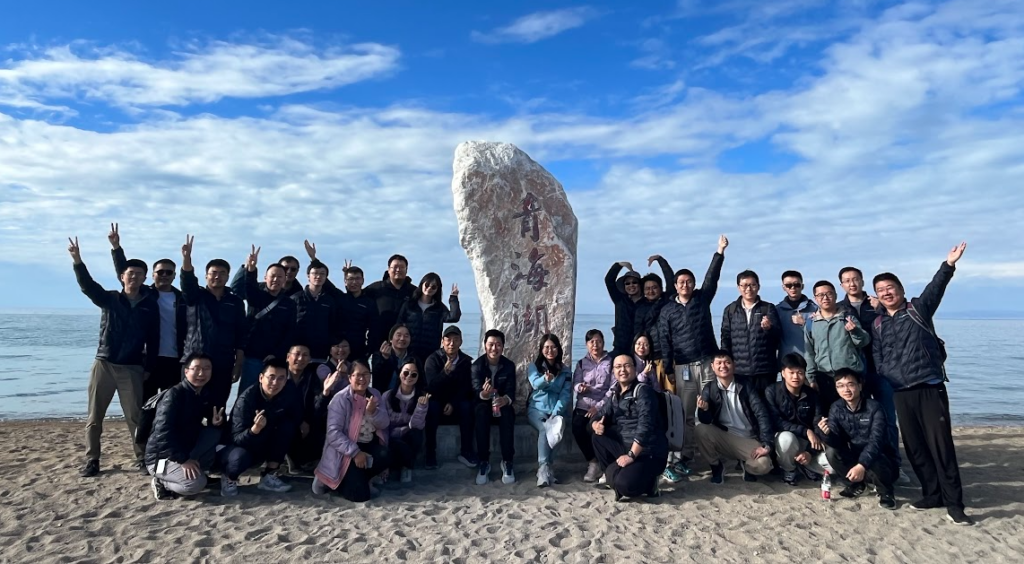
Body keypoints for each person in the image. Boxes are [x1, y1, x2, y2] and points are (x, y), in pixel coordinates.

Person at [871, 242, 973, 525]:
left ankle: (955, 504)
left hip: (928, 387)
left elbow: (936, 287)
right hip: (901, 392)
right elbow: (877, 356)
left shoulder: (918, 308)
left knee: (941, 447)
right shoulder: (878, 324)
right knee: (915, 447)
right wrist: (885, 372)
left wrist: (948, 264)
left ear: (901, 290)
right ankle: (932, 494)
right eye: (880, 290)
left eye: (890, 288)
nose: (886, 293)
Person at [69, 236, 159, 477]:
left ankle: (141, 458)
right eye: (130, 273)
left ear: (145, 278)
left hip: (132, 367)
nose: (134, 277)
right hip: (105, 363)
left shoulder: (150, 305)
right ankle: (92, 460)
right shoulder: (109, 299)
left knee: (135, 417)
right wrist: (78, 260)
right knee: (95, 416)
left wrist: (149, 367)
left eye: (139, 274)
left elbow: (154, 340)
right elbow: (87, 285)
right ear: (122, 276)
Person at [658, 235, 728, 476]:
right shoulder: (667, 311)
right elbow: (665, 341)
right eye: (681, 282)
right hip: (683, 367)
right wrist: (669, 368)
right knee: (687, 414)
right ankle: (685, 456)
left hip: (708, 362)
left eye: (689, 281)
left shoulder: (702, 299)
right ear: (675, 285)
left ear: (694, 284)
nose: (685, 285)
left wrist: (719, 251)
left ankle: (717, 453)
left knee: (713, 408)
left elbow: (712, 277)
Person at [839, 266, 905, 485]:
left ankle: (895, 463)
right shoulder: (840, 309)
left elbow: (895, 324)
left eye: (855, 279)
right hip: (855, 373)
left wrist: (882, 309)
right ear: (842, 285)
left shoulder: (878, 304)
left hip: (882, 370)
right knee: (857, 420)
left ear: (862, 281)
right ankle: (862, 464)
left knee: (887, 418)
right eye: (847, 280)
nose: (852, 284)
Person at [109, 224, 187, 402]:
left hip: (175, 359)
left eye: (169, 272)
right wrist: (116, 248)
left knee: (171, 403)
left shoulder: (182, 299)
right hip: (147, 359)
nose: (164, 275)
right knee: (145, 403)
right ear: (152, 275)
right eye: (160, 272)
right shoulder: (144, 294)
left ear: (174, 276)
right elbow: (125, 273)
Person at [179, 235, 246, 409]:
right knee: (189, 405)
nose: (217, 276)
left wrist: (238, 364)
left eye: (222, 273)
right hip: (195, 358)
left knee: (218, 406)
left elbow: (241, 334)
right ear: (206, 276)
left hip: (223, 361)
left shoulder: (235, 301)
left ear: (228, 276)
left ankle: (215, 427)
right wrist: (187, 259)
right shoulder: (196, 296)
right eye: (213, 273)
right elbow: (187, 280)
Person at [145, 353, 224, 500]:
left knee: (213, 432)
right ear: (186, 371)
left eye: (207, 368)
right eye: (196, 368)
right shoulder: (174, 395)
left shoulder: (200, 394)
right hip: (161, 458)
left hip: (183, 450)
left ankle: (200, 472)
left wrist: (214, 422)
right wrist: (183, 460)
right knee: (195, 485)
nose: (201, 373)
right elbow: (162, 433)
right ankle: (161, 482)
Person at [590, 355, 668, 502]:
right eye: (618, 367)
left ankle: (650, 483)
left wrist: (631, 455)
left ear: (634, 368)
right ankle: (612, 474)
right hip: (625, 446)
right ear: (613, 371)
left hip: (648, 451)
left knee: (625, 485)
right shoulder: (615, 394)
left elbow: (645, 426)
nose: (622, 370)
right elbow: (599, 415)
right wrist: (595, 424)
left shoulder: (644, 392)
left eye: (627, 365)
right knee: (598, 436)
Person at [817, 368, 898, 510]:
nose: (846, 390)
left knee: (877, 456)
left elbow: (877, 441)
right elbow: (836, 441)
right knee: (831, 452)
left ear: (860, 386)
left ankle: (886, 492)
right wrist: (826, 434)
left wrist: (862, 465)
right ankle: (857, 485)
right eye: (840, 386)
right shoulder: (836, 407)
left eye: (850, 384)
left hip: (881, 458)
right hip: (855, 455)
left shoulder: (874, 407)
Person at [217, 356, 298, 496]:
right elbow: (236, 438)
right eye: (271, 377)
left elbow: (295, 415)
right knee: (239, 459)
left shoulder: (287, 393)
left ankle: (269, 475)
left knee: (287, 427)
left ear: (286, 380)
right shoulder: (246, 400)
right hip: (236, 446)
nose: (275, 383)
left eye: (281, 378)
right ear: (261, 378)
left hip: (262, 442)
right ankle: (229, 478)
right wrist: (255, 429)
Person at [313, 360, 391, 502]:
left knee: (386, 454)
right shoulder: (340, 398)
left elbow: (385, 423)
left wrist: (373, 412)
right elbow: (333, 433)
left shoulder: (374, 394)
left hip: (368, 444)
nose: (362, 378)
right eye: (358, 375)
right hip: (346, 450)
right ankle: (334, 482)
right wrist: (355, 452)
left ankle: (363, 479)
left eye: (366, 374)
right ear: (349, 378)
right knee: (359, 496)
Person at [695, 350, 774, 483]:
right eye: (719, 363)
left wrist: (766, 444)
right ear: (712, 367)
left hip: (748, 438)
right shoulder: (710, 388)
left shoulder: (746, 385)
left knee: (763, 465)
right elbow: (705, 420)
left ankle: (746, 466)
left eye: (727, 362)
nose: (723, 366)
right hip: (725, 436)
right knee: (700, 429)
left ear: (734, 365)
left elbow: (762, 414)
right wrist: (704, 409)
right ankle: (716, 467)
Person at [233, 246, 297, 395]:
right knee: (247, 393)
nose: (276, 279)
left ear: (285, 279)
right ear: (265, 277)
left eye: (280, 277)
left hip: (275, 359)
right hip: (252, 356)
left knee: (271, 395)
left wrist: (277, 354)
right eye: (272, 276)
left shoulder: (289, 304)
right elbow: (248, 286)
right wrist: (250, 269)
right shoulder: (257, 296)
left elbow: (290, 332)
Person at [303, 240, 379, 362]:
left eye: (357, 279)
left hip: (358, 350)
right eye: (350, 279)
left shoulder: (369, 303)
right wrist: (313, 259)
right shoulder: (339, 297)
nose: (354, 282)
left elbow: (374, 329)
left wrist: (369, 350)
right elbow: (325, 281)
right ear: (345, 281)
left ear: (363, 281)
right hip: (336, 350)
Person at [804, 280, 871, 413]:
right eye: (820, 295)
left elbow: (864, 342)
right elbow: (809, 352)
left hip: (850, 375)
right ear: (815, 298)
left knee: (857, 413)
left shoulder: (847, 317)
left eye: (829, 294)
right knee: (830, 415)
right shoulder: (811, 323)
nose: (825, 298)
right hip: (825, 377)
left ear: (835, 295)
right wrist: (811, 378)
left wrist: (855, 331)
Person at [765, 353, 826, 486]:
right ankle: (789, 469)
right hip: (785, 438)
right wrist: (806, 431)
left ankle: (806, 465)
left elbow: (818, 423)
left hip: (807, 441)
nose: (795, 377)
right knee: (786, 439)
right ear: (783, 373)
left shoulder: (812, 394)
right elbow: (776, 422)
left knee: (830, 466)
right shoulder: (772, 391)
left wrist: (809, 452)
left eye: (800, 373)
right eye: (791, 372)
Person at [423, 325, 477, 469]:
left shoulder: (465, 361)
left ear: (461, 342)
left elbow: (466, 388)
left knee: (467, 406)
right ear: (442, 341)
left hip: (456, 404)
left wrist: (453, 403)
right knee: (432, 406)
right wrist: (444, 373)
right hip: (438, 401)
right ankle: (430, 454)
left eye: (456, 340)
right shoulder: (433, 359)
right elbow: (431, 387)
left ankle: (466, 451)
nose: (452, 343)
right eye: (448, 340)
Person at [720, 270, 781, 398]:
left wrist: (769, 328)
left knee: (766, 404)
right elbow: (725, 338)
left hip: (765, 370)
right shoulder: (730, 310)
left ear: (758, 286)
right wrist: (726, 363)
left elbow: (778, 337)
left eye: (752, 285)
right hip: (740, 371)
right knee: (744, 406)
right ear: (738, 287)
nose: (748, 289)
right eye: (744, 285)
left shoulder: (768, 308)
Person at [285, 345, 342, 472]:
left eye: (305, 355)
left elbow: (317, 405)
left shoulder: (311, 377)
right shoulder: (279, 376)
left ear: (310, 359)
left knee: (325, 421)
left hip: (306, 419)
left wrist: (325, 392)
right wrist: (300, 421)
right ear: (288, 357)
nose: (301, 358)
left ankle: (308, 460)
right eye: (297, 354)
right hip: (286, 420)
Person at [471, 329, 517, 485]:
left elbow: (511, 391)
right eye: (491, 344)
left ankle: (507, 461)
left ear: (503, 346)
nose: (494, 348)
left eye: (498, 344)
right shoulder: (477, 366)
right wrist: (484, 393)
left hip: (501, 404)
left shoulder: (508, 365)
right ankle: (484, 461)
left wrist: (505, 399)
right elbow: (475, 390)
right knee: (481, 412)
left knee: (508, 414)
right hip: (484, 404)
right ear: (485, 345)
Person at [526, 334, 572, 487]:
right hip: (537, 409)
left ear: (558, 349)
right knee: (545, 429)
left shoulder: (565, 371)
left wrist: (556, 412)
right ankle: (543, 467)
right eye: (546, 347)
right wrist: (545, 379)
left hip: (555, 410)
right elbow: (535, 384)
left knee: (557, 428)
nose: (550, 350)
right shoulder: (534, 367)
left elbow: (565, 395)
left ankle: (548, 468)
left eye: (553, 347)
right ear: (541, 349)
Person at [572, 329, 613, 483]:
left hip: (602, 405)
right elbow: (575, 383)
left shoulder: (611, 362)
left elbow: (613, 388)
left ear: (603, 343)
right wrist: (580, 388)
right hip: (584, 405)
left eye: (598, 341)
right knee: (577, 427)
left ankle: (605, 465)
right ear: (586, 344)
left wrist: (599, 406)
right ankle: (593, 462)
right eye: (591, 342)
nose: (595, 345)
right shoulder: (581, 363)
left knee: (599, 429)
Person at [383, 358, 429, 483]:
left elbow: (417, 425)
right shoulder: (387, 396)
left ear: (418, 377)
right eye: (406, 372)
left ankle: (406, 467)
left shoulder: (422, 397)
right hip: (391, 436)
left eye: (414, 374)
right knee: (396, 444)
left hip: (409, 436)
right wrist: (407, 420)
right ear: (400, 373)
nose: (409, 376)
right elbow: (385, 421)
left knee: (415, 435)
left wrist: (421, 408)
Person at [396, 272, 461, 361]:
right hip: (409, 349)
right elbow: (398, 324)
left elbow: (454, 317)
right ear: (422, 285)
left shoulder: (439, 308)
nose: (429, 288)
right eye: (427, 285)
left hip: (430, 352)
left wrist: (453, 298)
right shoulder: (410, 304)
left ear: (437, 289)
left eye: (433, 287)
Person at [293, 259, 341, 362]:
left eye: (322, 274)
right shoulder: (296, 298)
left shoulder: (329, 301)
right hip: (298, 353)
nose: (318, 276)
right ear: (308, 276)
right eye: (315, 273)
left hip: (321, 353)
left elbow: (333, 325)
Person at [632, 255, 676, 363]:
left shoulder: (667, 300)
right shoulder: (640, 308)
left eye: (654, 288)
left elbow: (670, 279)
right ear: (643, 291)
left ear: (661, 289)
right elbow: (637, 333)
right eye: (647, 288)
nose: (651, 291)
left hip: (672, 353)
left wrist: (661, 260)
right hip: (652, 356)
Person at [364, 254, 415, 345]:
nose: (398, 270)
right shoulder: (375, 288)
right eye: (395, 267)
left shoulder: (414, 292)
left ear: (406, 270)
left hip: (403, 343)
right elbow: (356, 297)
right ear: (388, 269)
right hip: (377, 342)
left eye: (402, 267)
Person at [605, 261, 643, 356]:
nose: (631, 285)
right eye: (627, 283)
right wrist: (620, 265)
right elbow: (609, 280)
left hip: (640, 349)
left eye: (634, 282)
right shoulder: (620, 300)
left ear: (640, 285)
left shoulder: (647, 303)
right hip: (620, 348)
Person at [776, 270, 817, 358]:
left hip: (809, 359)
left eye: (797, 285)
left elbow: (821, 333)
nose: (793, 288)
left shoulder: (815, 309)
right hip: (786, 360)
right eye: (788, 285)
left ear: (802, 286)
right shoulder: (777, 310)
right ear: (783, 287)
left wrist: (804, 323)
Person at [370, 324, 414, 392]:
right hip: (383, 395)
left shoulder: (413, 358)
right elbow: (376, 378)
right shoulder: (379, 355)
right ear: (391, 339)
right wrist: (384, 359)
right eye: (398, 335)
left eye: (406, 336)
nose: (402, 338)